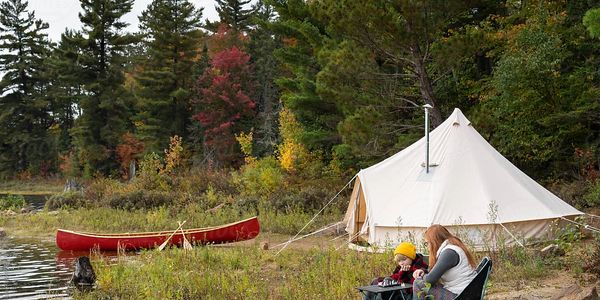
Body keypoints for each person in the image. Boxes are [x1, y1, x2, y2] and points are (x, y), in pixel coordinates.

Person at [412, 225, 477, 300]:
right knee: (422, 283)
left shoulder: (449, 253)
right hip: (465, 292)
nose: (427, 247)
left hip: (461, 295)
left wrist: (422, 276)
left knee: (418, 283)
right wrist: (423, 271)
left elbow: (430, 280)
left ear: (434, 241)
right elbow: (434, 271)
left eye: (427, 243)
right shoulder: (451, 248)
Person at [363, 242, 428, 300]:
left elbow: (409, 285)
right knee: (376, 281)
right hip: (398, 289)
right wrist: (400, 272)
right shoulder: (401, 266)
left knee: (386, 283)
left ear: (411, 257)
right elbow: (394, 277)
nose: (401, 263)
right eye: (399, 261)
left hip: (407, 293)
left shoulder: (419, 266)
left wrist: (403, 273)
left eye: (404, 259)